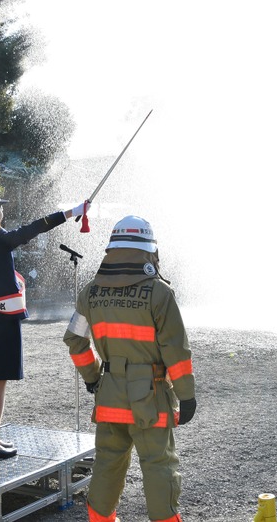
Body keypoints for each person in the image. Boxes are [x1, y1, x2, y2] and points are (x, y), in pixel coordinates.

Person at [63, 215, 195, 522]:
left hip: (109, 395)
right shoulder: (159, 293)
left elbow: (75, 340)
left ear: (112, 250)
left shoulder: (91, 293)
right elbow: (176, 351)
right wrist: (187, 395)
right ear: (149, 252)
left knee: (108, 463)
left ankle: (101, 519)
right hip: (149, 397)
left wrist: (94, 377)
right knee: (158, 464)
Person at [0, 189, 88, 462]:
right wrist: (69, 213)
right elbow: (33, 229)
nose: (3, 211)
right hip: (2, 319)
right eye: (0, 208)